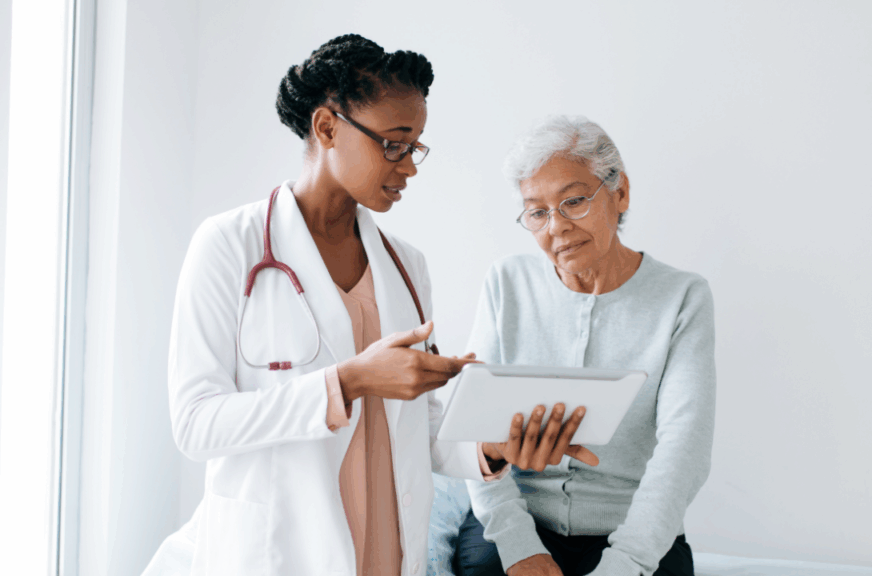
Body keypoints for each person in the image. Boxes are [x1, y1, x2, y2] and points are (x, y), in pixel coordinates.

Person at [141, 36, 594, 576]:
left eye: (416, 146)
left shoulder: (406, 265)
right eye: (393, 144)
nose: (409, 166)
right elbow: (197, 424)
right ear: (327, 127)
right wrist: (349, 382)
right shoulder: (227, 246)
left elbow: (416, 428)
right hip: (279, 552)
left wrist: (493, 449)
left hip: (385, 549)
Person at [452, 115, 715, 576]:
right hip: (516, 523)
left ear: (621, 193)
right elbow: (474, 430)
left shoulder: (682, 297)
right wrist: (518, 547)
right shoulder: (506, 283)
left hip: (633, 531)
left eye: (573, 201)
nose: (556, 228)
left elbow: (684, 449)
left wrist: (627, 560)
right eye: (537, 212)